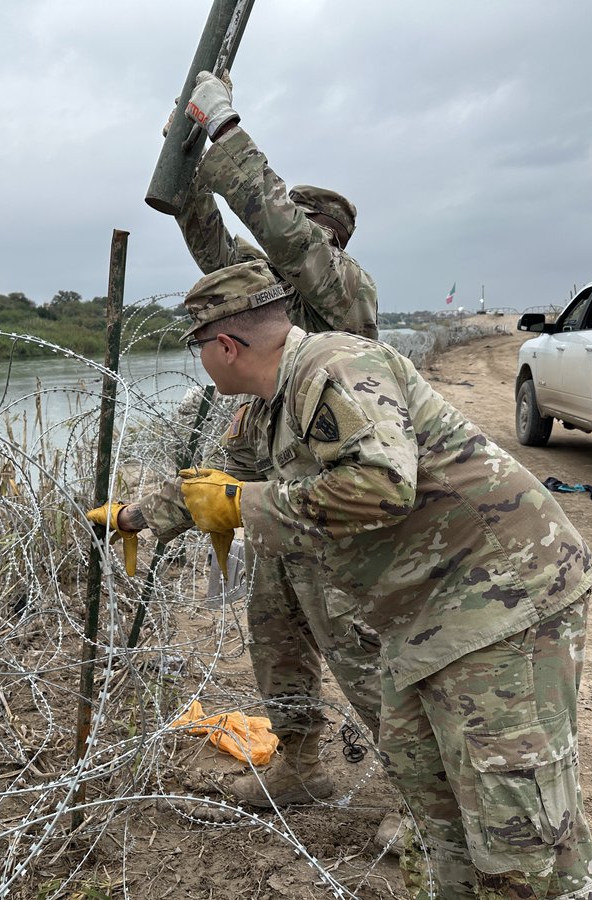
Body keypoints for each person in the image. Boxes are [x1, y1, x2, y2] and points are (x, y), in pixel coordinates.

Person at [92, 260, 592, 899]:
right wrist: (139, 517)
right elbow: (221, 483)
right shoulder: (267, 406)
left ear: (225, 346)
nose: (200, 360)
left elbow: (384, 484)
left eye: (198, 347)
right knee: (427, 786)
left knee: (518, 820)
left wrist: (245, 509)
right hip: (425, 611)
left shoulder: (334, 370)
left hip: (503, 595)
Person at [164, 70, 388, 815]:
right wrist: (182, 152)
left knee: (360, 645)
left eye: (298, 233)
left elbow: (284, 240)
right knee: (276, 629)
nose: (281, 245)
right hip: (272, 488)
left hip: (335, 491)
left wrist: (229, 134)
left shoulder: (343, 292)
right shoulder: (263, 297)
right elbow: (209, 239)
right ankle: (300, 763)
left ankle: (428, 779)